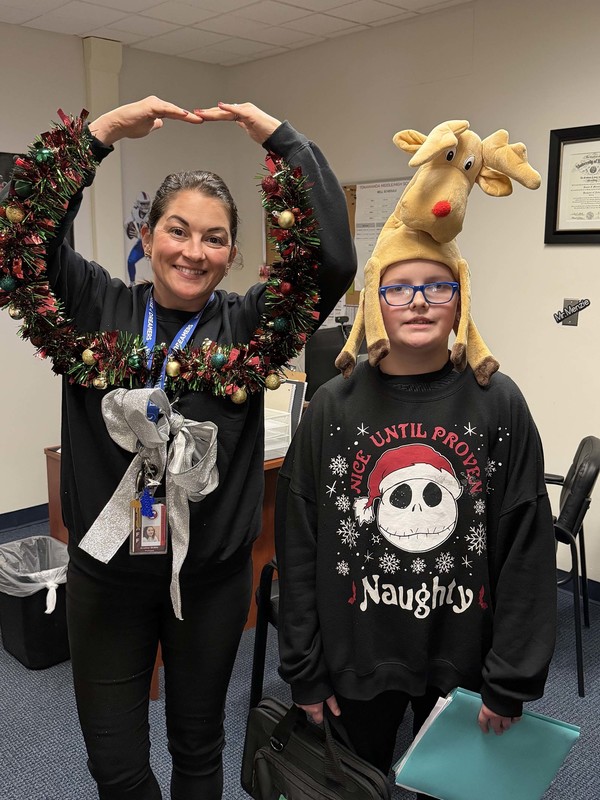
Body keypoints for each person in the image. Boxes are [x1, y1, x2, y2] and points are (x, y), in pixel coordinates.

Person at [0, 96, 355, 799]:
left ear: (233, 252)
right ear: (149, 232)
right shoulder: (97, 306)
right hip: (105, 584)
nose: (193, 251)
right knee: (117, 765)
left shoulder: (256, 323)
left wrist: (284, 141)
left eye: (215, 238)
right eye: (177, 229)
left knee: (198, 748)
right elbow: (21, 236)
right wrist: (97, 135)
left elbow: (334, 260)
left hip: (212, 584)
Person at [275, 125, 557, 797]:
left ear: (461, 297)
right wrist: (305, 670)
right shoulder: (334, 407)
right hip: (355, 662)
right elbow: (301, 540)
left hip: (461, 662)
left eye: (438, 287)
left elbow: (525, 546)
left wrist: (510, 678)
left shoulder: (499, 403)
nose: (421, 301)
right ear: (373, 298)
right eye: (401, 288)